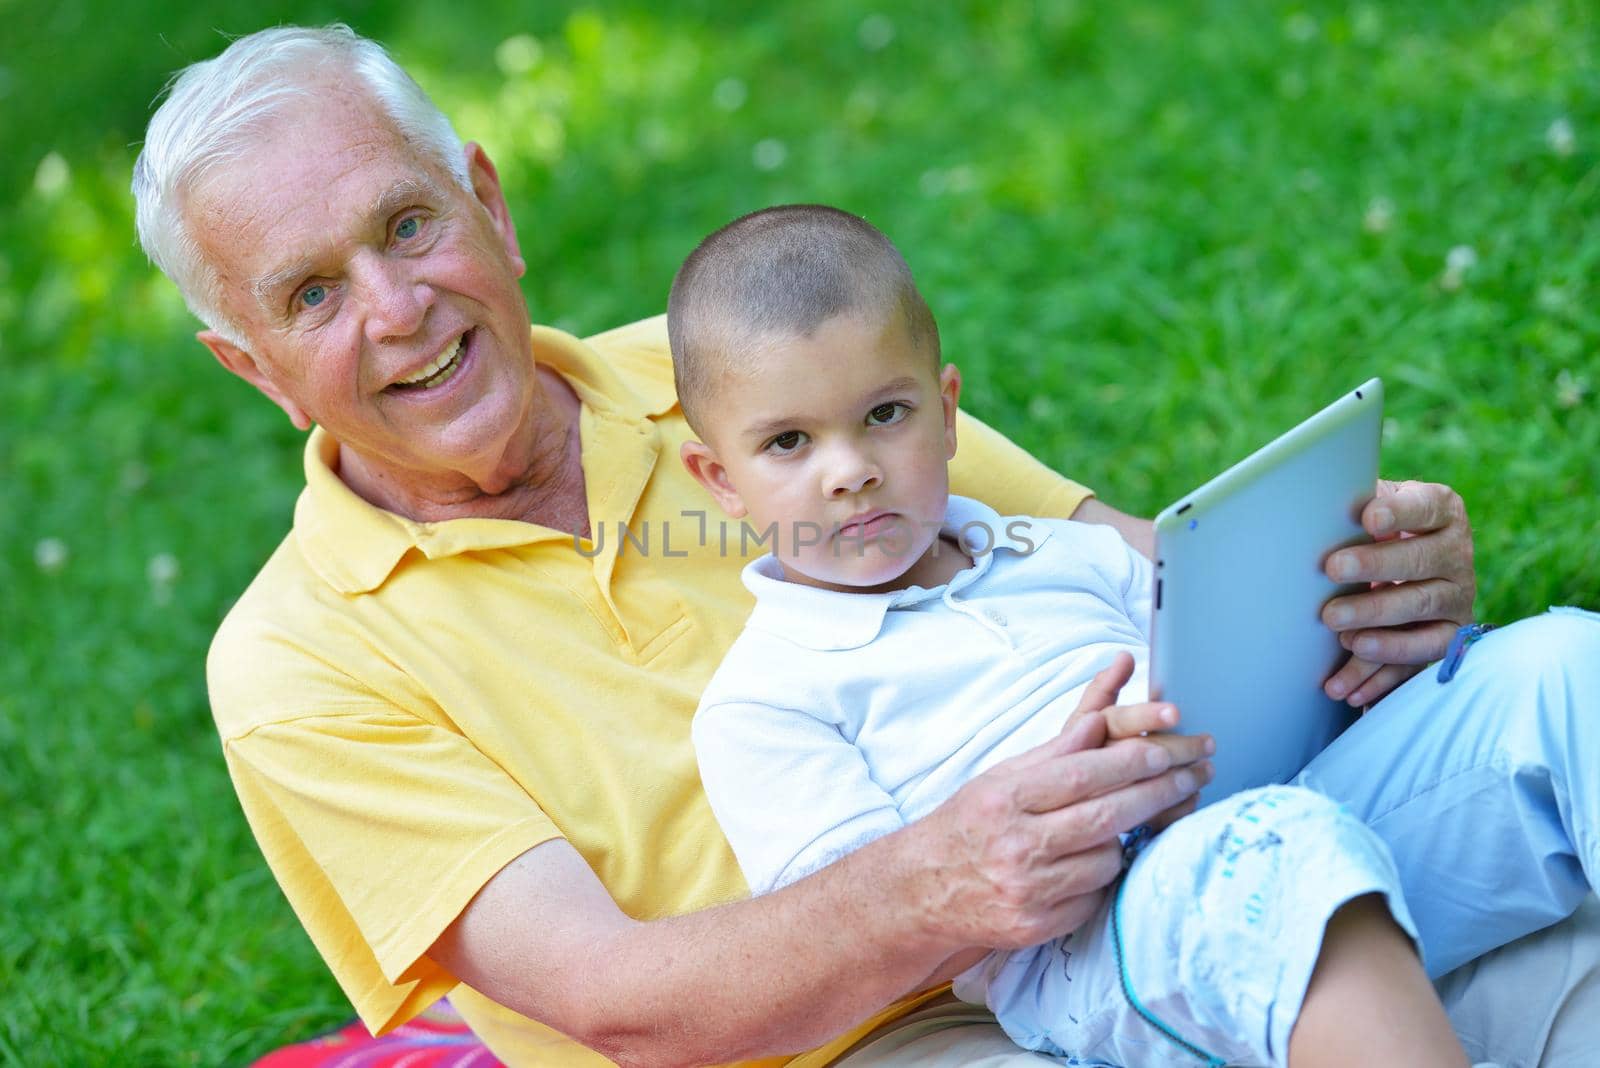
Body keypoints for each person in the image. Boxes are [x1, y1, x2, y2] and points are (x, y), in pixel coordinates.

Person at [128, 23, 1597, 1068]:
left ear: (489, 207)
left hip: (1192, 855)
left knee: (1567, 755)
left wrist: (1359, 592)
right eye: (312, 295)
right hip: (862, 1048)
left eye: (408, 223)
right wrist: (949, 879)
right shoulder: (296, 660)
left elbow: (1146, 569)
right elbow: (622, 1005)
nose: (395, 308)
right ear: (248, 363)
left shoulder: (759, 362)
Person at [671, 204, 1475, 1067]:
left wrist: (1333, 623)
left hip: (1268, 789)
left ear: (947, 415)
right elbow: (867, 936)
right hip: (1080, 945)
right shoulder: (764, 704)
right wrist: (1075, 812)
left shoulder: (1066, 551)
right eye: (788, 442)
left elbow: (1223, 667)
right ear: (721, 480)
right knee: (1282, 853)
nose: (851, 471)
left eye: (884, 415)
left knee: (1558, 668)